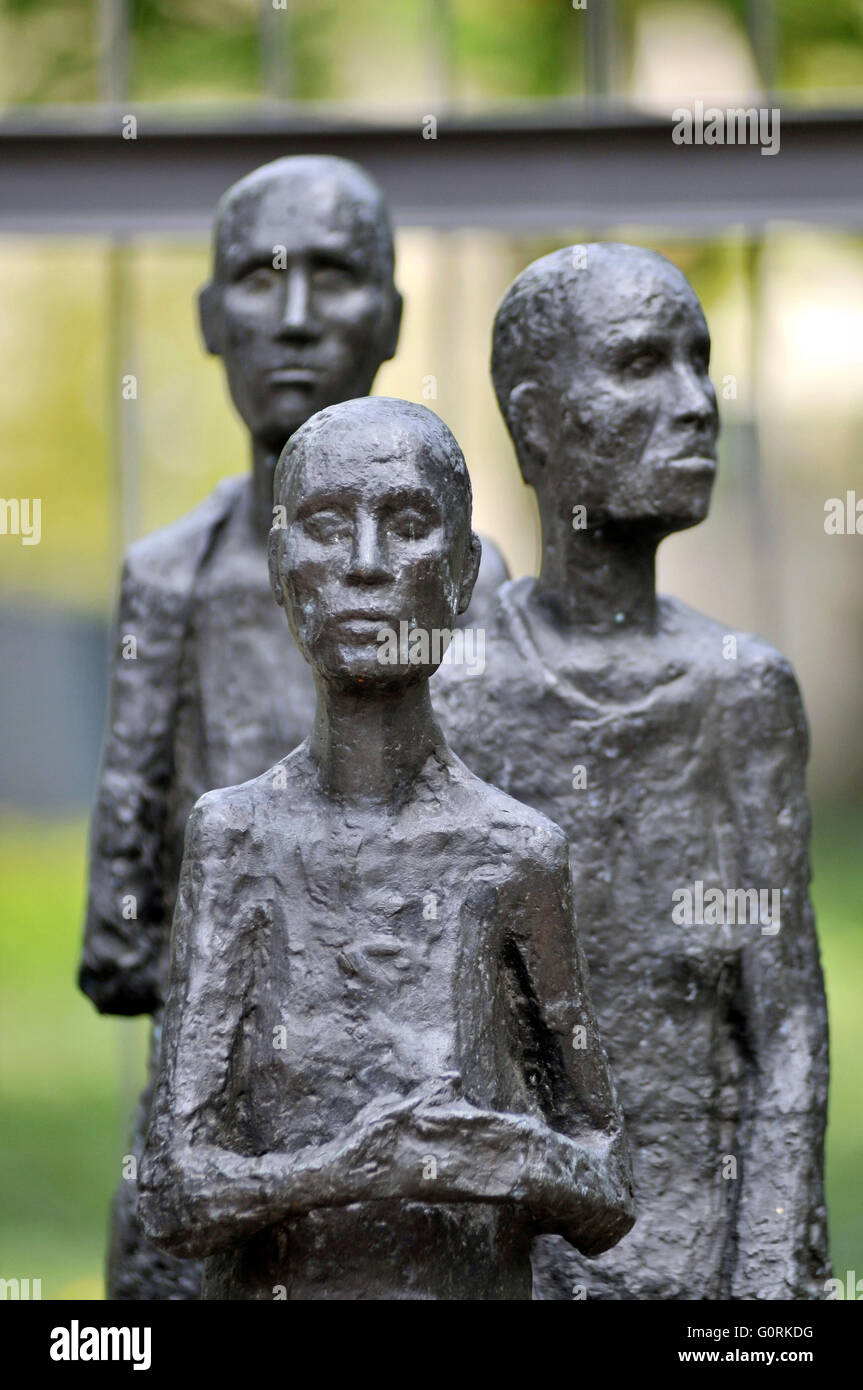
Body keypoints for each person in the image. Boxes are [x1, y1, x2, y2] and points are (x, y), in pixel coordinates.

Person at [79, 154, 508, 1299]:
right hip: (208, 1159)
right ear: (210, 318)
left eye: (335, 275)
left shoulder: (479, 588)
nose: (299, 317)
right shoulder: (167, 580)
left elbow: (510, 881)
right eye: (261, 281)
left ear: (392, 312)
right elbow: (117, 943)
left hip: (429, 1168)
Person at [138, 396, 634, 1300]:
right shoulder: (235, 837)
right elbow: (173, 1193)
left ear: (462, 572)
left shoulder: (516, 853)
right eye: (326, 528)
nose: (365, 566)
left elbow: (609, 1184)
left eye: (406, 525)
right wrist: (353, 1168)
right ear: (283, 570)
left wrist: (515, 1157)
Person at [435, 243, 830, 1300]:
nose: (695, 401)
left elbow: (783, 1019)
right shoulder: (458, 686)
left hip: (699, 1255)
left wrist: (761, 1275)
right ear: (531, 419)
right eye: (638, 364)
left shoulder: (740, 691)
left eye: (698, 361)